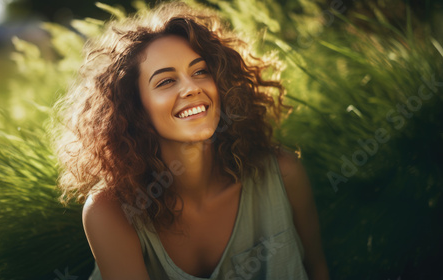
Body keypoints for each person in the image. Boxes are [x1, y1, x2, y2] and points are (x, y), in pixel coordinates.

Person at [53, 1, 329, 279]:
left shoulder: (283, 173)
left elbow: (317, 269)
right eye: (165, 82)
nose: (191, 88)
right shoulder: (110, 212)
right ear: (133, 108)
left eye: (200, 72)